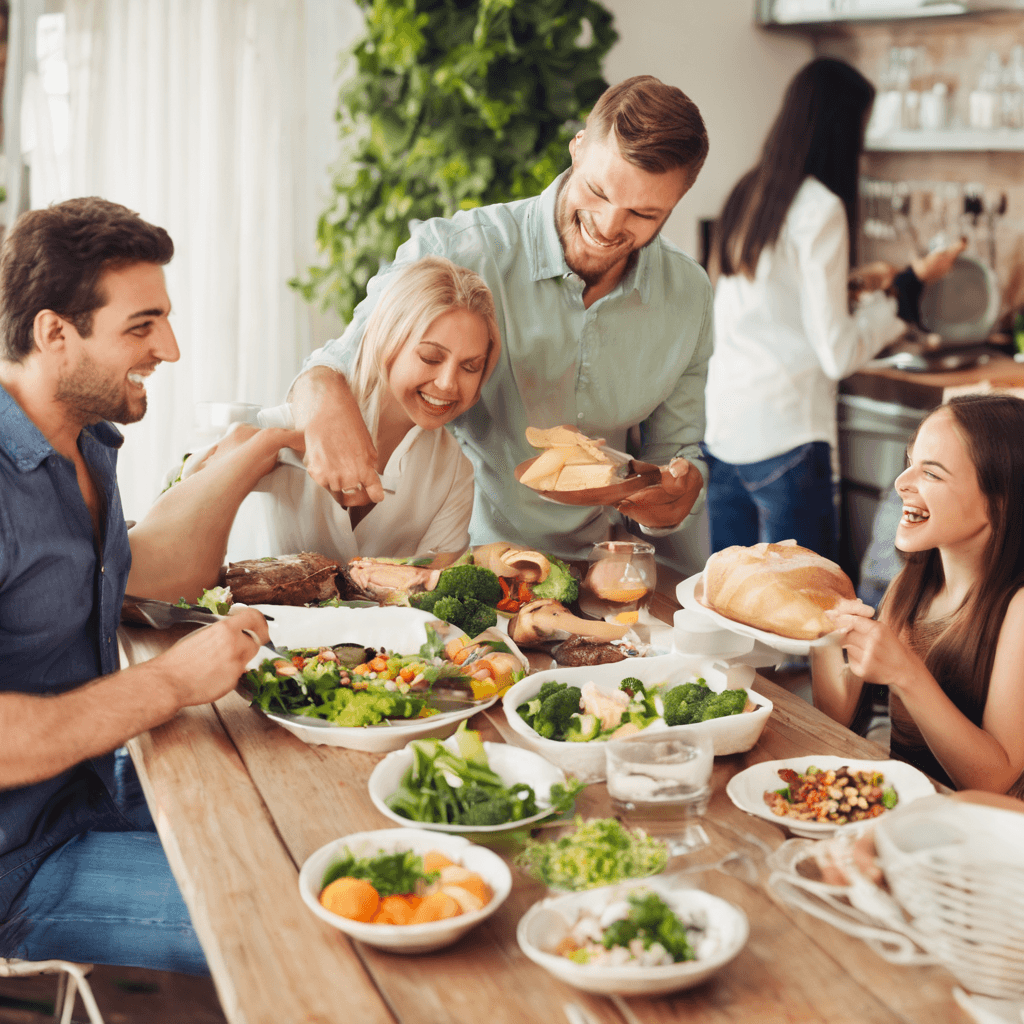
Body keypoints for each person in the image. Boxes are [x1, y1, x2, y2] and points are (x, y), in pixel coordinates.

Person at [0, 197, 302, 972]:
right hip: (17, 862)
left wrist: (253, 450)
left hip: (90, 784)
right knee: (313, 928)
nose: (168, 347)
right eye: (141, 325)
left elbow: (152, 565)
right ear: (53, 332)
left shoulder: (83, 438)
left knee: (320, 833)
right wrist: (170, 681)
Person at [288, 75, 711, 559]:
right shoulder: (455, 248)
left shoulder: (689, 295)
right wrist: (322, 396)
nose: (609, 226)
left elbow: (677, 455)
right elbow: (338, 363)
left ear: (675, 204)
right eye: (597, 191)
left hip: (600, 566)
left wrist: (674, 496)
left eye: (644, 214)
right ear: (576, 149)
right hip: (462, 559)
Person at [703, 57, 965, 561]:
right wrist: (911, 284)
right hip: (786, 434)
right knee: (811, 613)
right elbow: (837, 354)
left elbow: (769, 306)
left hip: (727, 429)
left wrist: (852, 288)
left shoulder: (750, 191)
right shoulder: (820, 206)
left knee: (730, 603)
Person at [217, 256, 500, 565]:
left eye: (470, 367)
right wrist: (268, 444)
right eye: (430, 357)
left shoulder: (454, 474)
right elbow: (185, 499)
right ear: (387, 340)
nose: (447, 384)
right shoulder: (289, 424)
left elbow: (430, 590)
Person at [811, 394, 1024, 796]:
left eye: (932, 474)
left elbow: (993, 781)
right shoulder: (910, 586)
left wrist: (904, 672)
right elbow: (835, 716)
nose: (901, 483)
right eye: (910, 463)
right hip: (909, 811)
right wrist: (822, 634)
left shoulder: (1018, 608)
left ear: (1000, 503)